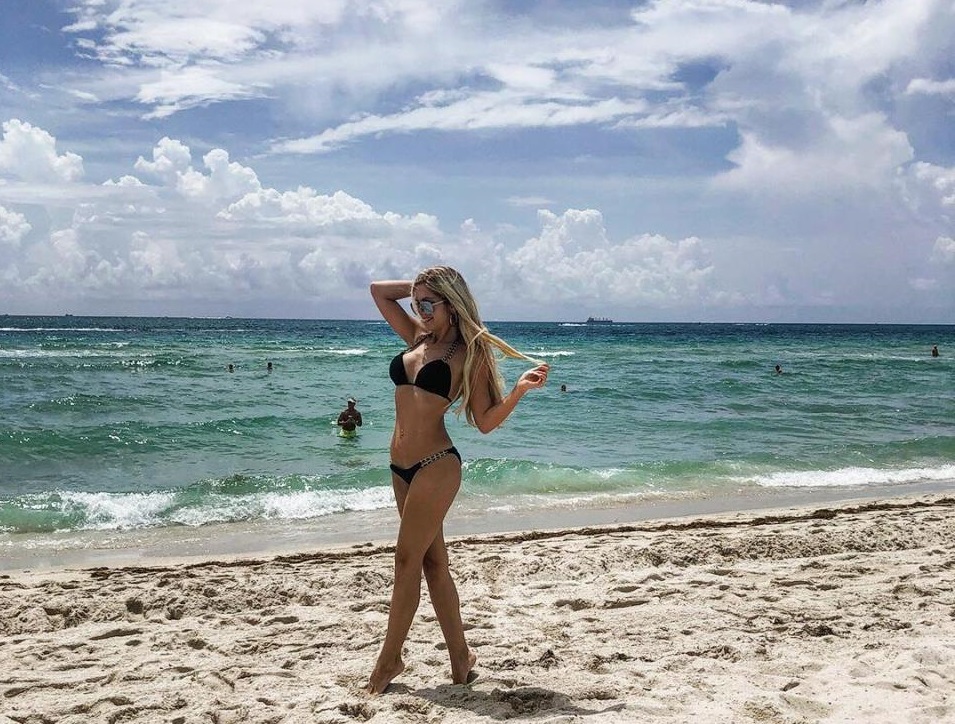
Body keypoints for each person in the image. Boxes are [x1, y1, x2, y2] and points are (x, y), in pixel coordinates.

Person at [367, 266, 549, 695]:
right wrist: (421, 287)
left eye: (429, 304)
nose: (421, 311)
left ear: (452, 303)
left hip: (436, 465)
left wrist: (518, 391)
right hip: (399, 468)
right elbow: (378, 292)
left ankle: (389, 660)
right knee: (434, 565)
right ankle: (461, 659)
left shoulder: (470, 354)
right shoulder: (417, 336)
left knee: (406, 561)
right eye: (417, 304)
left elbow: (484, 421)